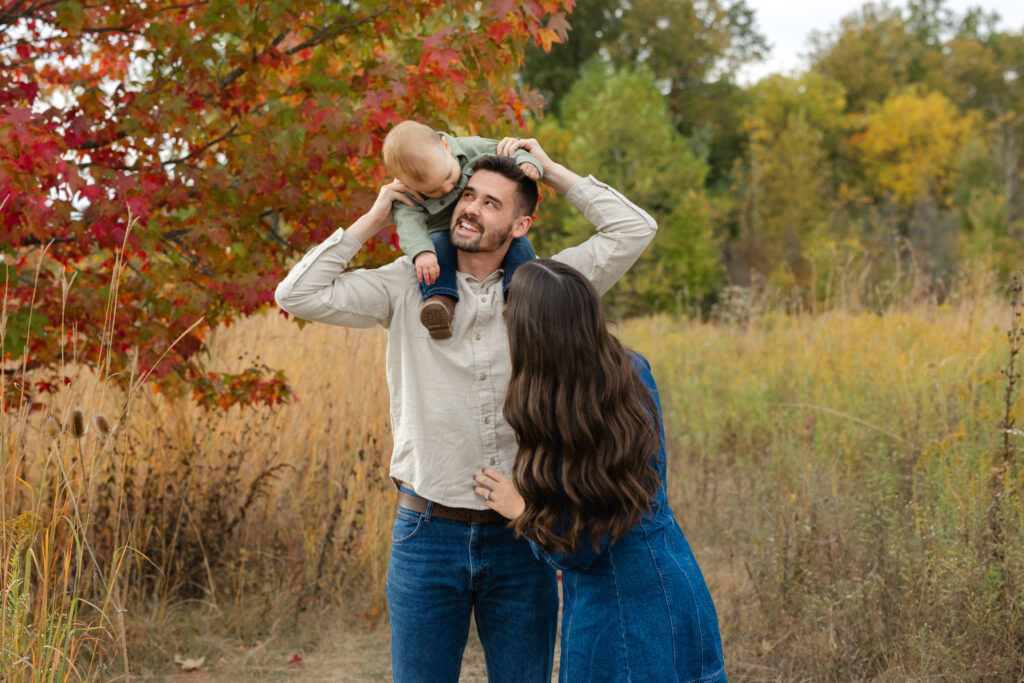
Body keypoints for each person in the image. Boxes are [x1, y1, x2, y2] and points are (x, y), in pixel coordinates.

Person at [274, 138, 657, 682]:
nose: (471, 208)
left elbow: (634, 230)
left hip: (522, 533)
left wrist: (549, 169)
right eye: (468, 195)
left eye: (492, 203)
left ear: (521, 226)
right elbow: (297, 294)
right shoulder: (407, 284)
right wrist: (375, 218)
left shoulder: (550, 290)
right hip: (425, 533)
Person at [472, 259, 728, 683]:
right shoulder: (631, 370)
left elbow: (578, 550)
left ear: (532, 337)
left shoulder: (560, 414)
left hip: (618, 609)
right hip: (676, 580)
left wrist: (520, 509)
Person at [382, 120, 543, 339]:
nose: (447, 188)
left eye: (448, 178)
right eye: (433, 191)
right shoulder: (406, 192)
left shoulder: (471, 148)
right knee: (436, 251)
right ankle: (439, 303)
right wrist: (421, 252)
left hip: (483, 230)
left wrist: (528, 162)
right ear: (407, 184)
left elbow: (510, 148)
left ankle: (519, 297)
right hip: (442, 231)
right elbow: (409, 225)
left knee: (520, 245)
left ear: (446, 146)